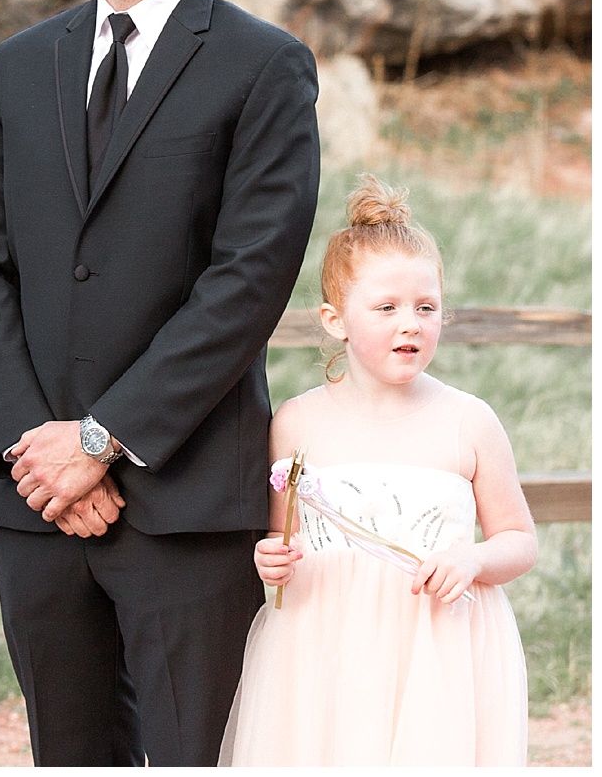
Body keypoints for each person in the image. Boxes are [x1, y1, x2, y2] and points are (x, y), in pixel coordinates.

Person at [0, 0, 321, 765]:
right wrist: (40, 456)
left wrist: (102, 442)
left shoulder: (264, 67)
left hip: (186, 500)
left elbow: (248, 282)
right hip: (38, 501)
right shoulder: (17, 67)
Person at [219, 176, 534, 765]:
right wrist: (269, 558)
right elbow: (276, 539)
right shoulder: (296, 422)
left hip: (438, 654)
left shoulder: (470, 422)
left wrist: (473, 558)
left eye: (426, 307)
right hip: (323, 651)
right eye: (386, 308)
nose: (409, 323)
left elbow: (520, 541)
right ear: (336, 320)